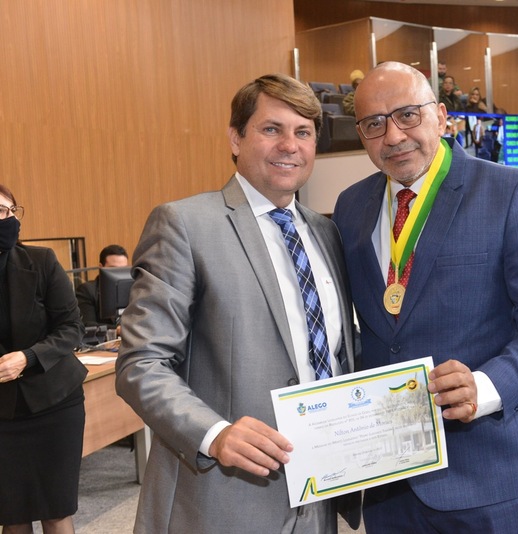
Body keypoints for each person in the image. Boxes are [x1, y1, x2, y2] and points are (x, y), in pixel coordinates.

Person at [333, 61, 518, 532]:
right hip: (391, 479)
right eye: (374, 124)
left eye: (407, 115)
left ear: (442, 116)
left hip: (492, 472)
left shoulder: (511, 191)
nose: (393, 136)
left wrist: (485, 386)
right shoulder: (350, 205)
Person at [115, 74, 360, 533]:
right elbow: (141, 363)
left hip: (318, 495)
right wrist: (214, 434)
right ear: (235, 138)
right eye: (271, 129)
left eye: (303, 132)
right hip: (221, 500)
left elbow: (333, 353)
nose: (290, 145)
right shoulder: (185, 224)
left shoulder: (327, 232)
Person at [0, 184, 86, 534]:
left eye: (10, 211)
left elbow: (72, 328)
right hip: (2, 413)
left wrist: (28, 357)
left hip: (55, 402)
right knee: (12, 516)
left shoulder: (42, 261)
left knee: (55, 511)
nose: (6, 218)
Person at [75, 244, 129, 327]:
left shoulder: (132, 290)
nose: (119, 273)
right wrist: (118, 329)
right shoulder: (87, 290)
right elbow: (88, 324)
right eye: (113, 268)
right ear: (101, 267)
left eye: (123, 269)